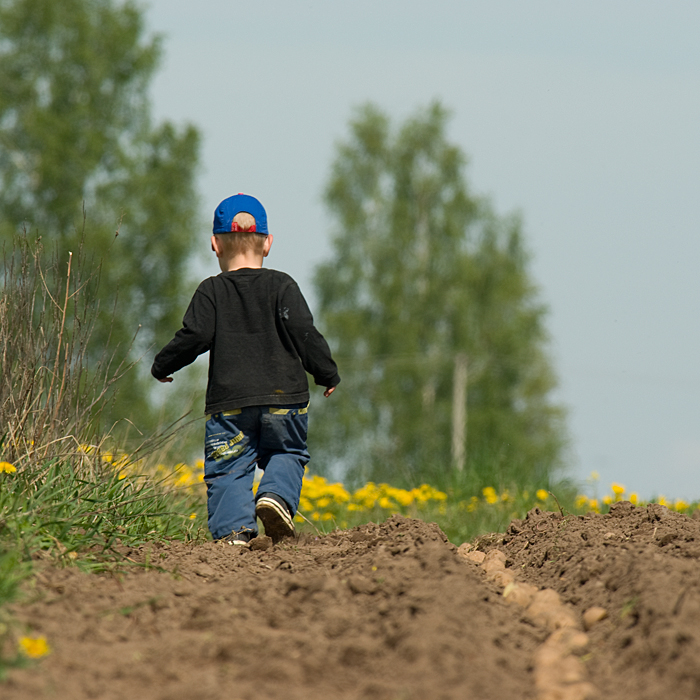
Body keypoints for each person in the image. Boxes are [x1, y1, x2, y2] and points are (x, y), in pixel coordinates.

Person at [151, 193, 340, 546]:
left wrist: (163, 364)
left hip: (230, 405)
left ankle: (234, 534)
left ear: (214, 244)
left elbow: (195, 335)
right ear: (267, 243)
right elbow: (303, 330)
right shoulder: (282, 285)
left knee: (228, 469)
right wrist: (325, 372)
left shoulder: (211, 291)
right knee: (286, 453)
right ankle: (276, 498)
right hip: (285, 399)